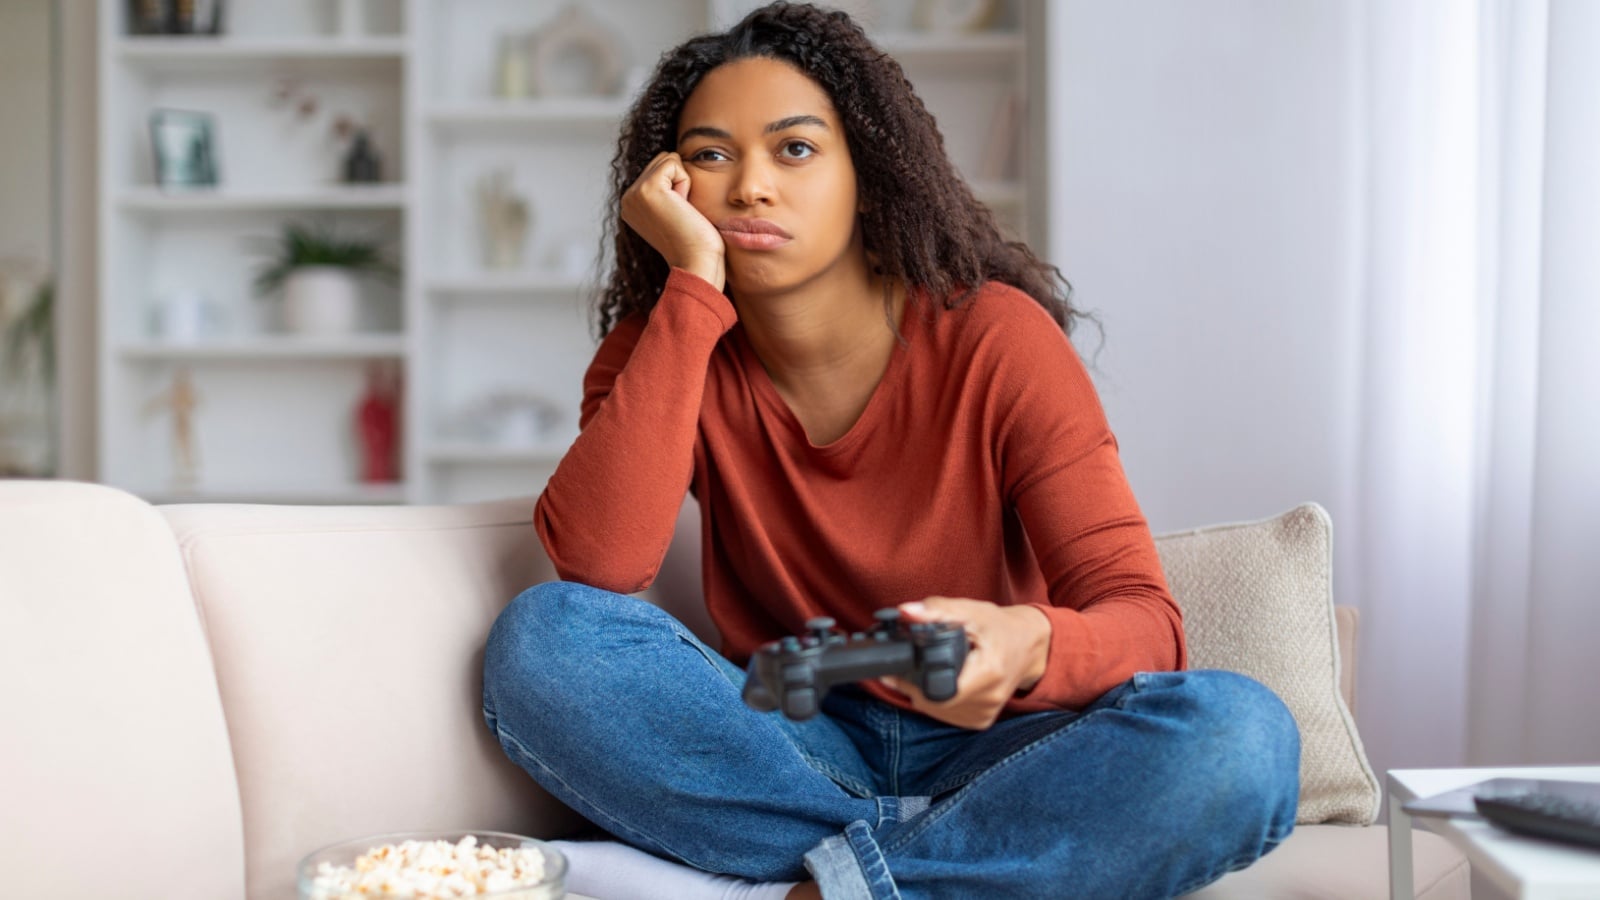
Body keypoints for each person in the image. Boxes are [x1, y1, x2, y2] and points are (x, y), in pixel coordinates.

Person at [481, 4, 1301, 899]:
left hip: (1006, 751)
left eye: (795, 149)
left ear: (865, 178)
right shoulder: (666, 343)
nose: (750, 187)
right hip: (795, 748)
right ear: (673, 189)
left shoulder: (998, 340)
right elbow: (601, 563)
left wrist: (1028, 643)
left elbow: (1146, 621)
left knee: (1242, 738)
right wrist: (691, 289)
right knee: (545, 639)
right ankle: (949, 862)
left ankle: (821, 882)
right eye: (711, 157)